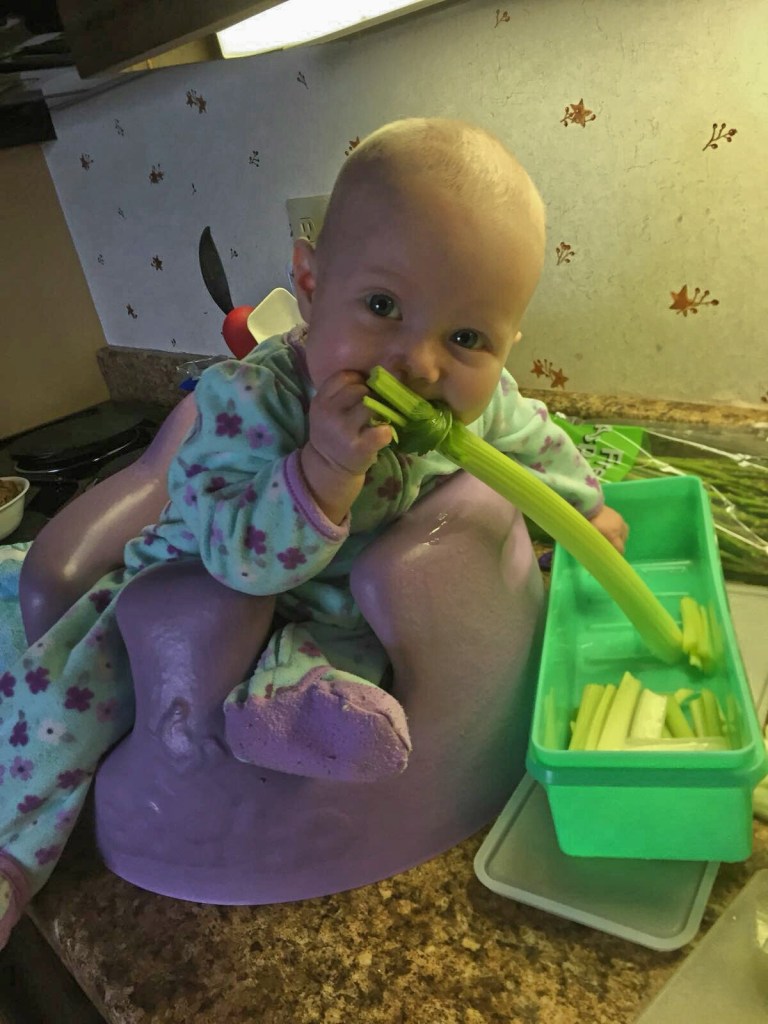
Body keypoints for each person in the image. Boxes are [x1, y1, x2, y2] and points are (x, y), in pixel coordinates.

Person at [0, 117, 627, 946]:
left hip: (333, 612)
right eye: (382, 307)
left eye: (467, 337)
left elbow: (533, 441)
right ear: (309, 279)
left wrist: (588, 509)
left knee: (357, 659)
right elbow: (234, 562)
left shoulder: (482, 398)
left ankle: (293, 712)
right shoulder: (251, 405)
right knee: (66, 701)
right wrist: (321, 475)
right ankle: (15, 850)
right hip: (202, 585)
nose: (421, 364)